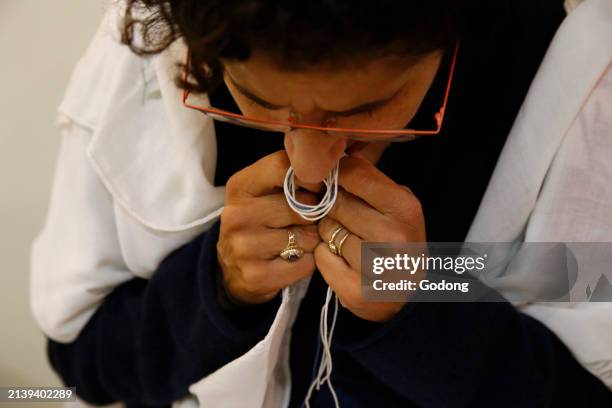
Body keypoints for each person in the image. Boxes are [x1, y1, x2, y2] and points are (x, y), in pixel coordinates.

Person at [30, 0, 612, 407]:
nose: (308, 165)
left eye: (364, 112)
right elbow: (84, 365)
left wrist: (425, 296)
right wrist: (218, 288)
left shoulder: (576, 83)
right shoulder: (151, 49)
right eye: (255, 99)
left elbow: (583, 381)